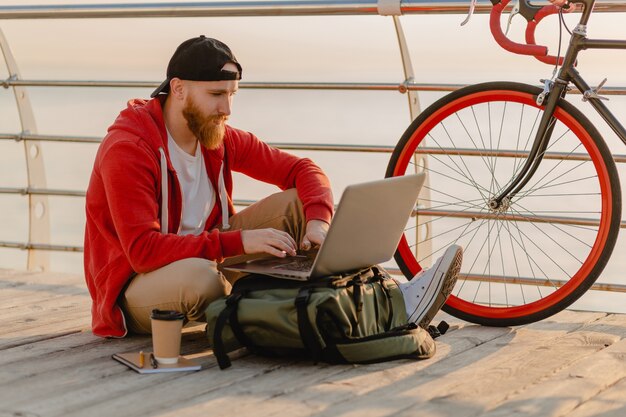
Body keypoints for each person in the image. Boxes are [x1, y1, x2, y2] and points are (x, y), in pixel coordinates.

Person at [84, 35, 462, 339]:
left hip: (208, 255)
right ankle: (268, 306)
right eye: (216, 95)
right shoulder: (130, 148)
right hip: (136, 288)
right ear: (179, 88)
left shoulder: (216, 136)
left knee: (298, 204)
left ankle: (390, 298)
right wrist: (240, 243)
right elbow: (143, 252)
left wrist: (318, 222)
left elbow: (302, 170)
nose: (226, 108)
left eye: (232, 94)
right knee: (202, 280)